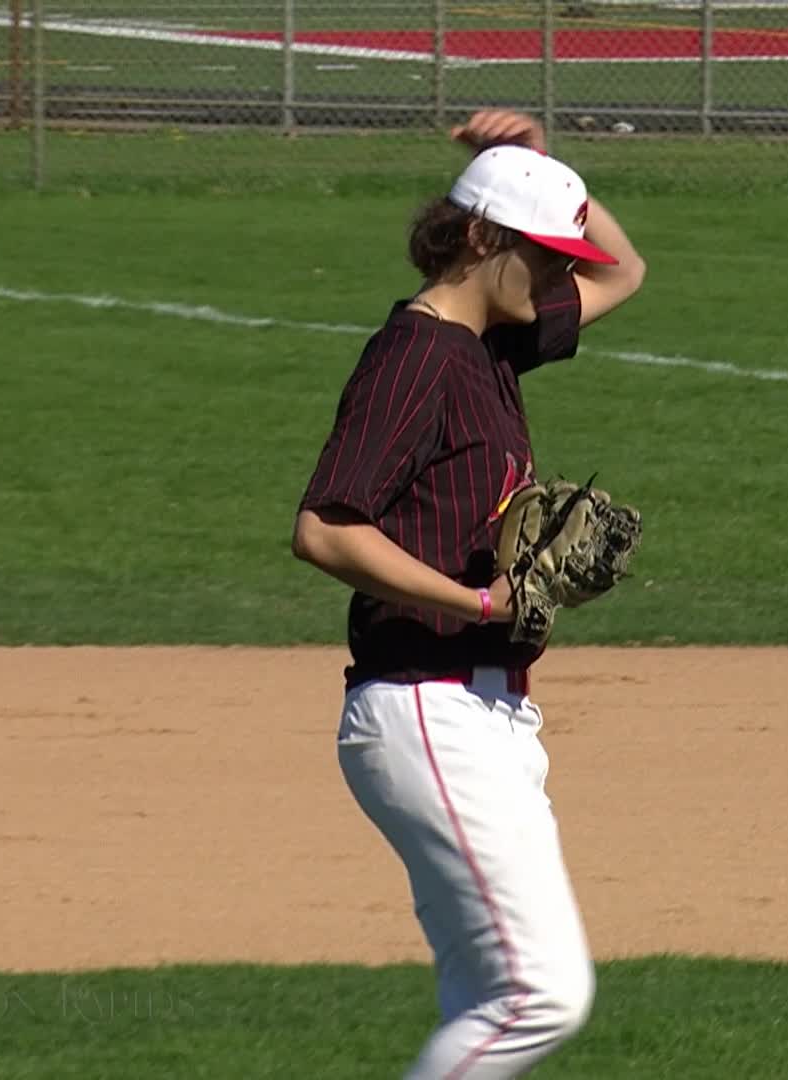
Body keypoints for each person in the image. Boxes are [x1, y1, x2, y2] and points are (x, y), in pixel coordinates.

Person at [291, 109, 646, 1078]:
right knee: (540, 995)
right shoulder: (419, 356)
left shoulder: (496, 340)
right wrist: (474, 604)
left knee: (490, 1000)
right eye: (544, 257)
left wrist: (537, 167)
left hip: (480, 714)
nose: (561, 279)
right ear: (484, 241)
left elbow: (623, 271)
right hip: (427, 704)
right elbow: (325, 526)